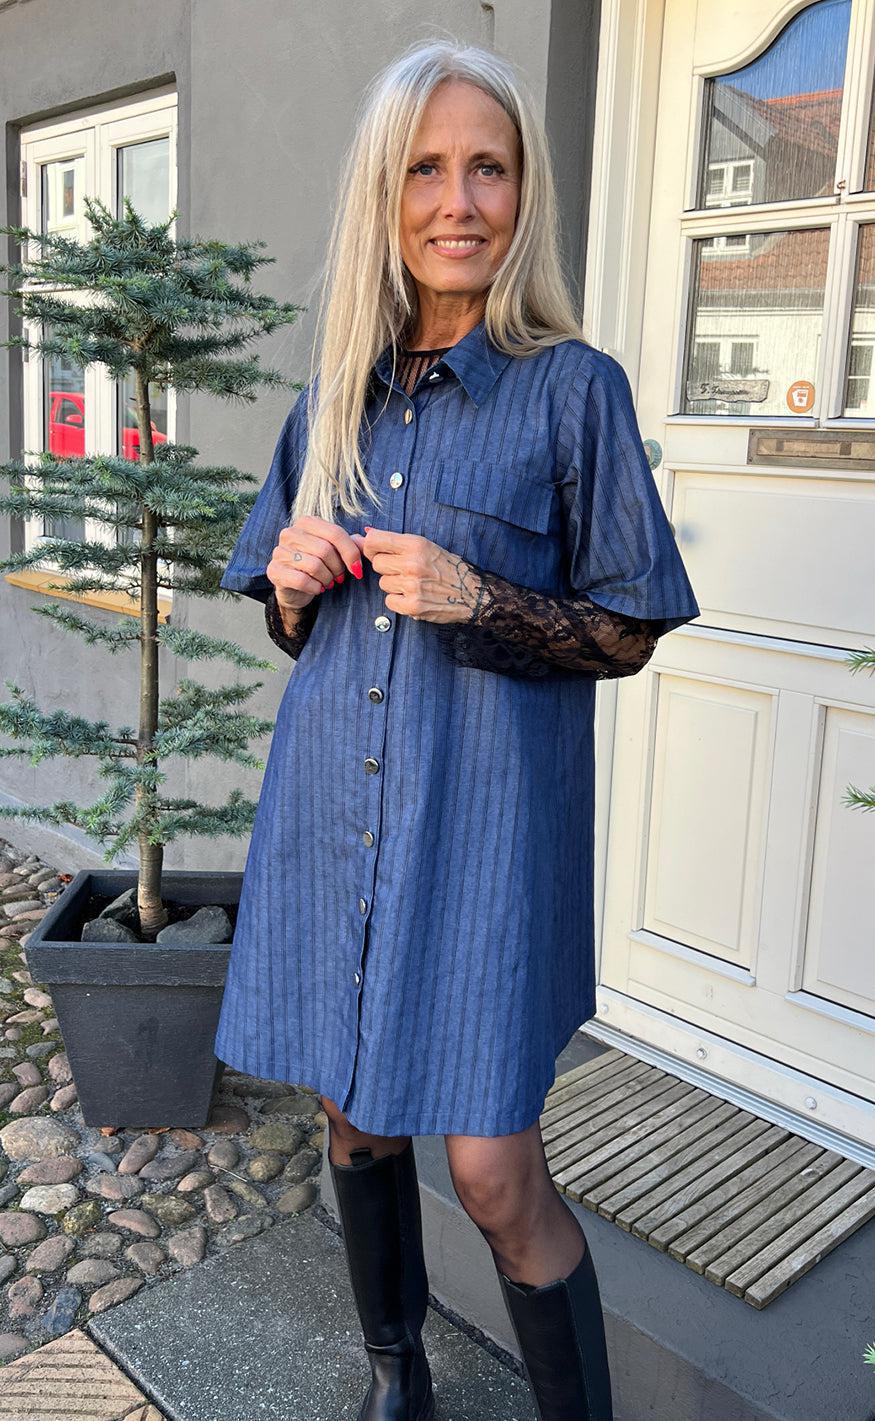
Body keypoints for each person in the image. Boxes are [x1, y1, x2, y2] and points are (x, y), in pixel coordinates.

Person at [216, 37, 700, 1421]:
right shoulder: (332, 400)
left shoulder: (574, 391)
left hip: (484, 835)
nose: (458, 201)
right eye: (426, 169)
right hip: (337, 814)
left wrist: (479, 596)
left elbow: (629, 627)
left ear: (524, 191)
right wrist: (293, 587)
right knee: (355, 1113)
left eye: (488, 168)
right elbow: (295, 629)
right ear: (386, 191)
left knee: (492, 1170)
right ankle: (398, 1380)